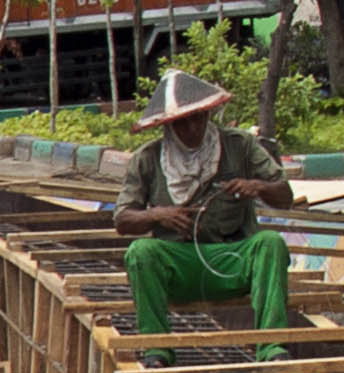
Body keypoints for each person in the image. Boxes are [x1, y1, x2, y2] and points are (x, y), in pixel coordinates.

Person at [117, 69, 294, 345]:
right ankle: (156, 350)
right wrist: (158, 215)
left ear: (209, 115)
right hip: (181, 265)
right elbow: (123, 220)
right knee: (141, 253)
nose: (193, 129)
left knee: (271, 243)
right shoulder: (147, 159)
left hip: (232, 259)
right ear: (169, 125)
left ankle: (272, 348)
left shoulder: (241, 145)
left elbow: (286, 196)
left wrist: (257, 187)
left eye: (199, 119)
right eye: (183, 123)